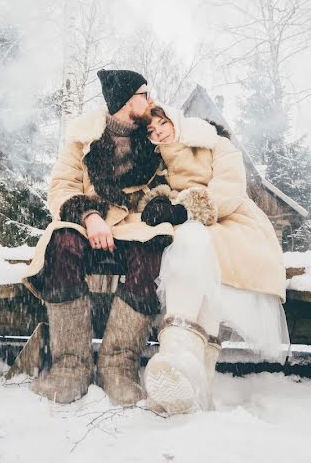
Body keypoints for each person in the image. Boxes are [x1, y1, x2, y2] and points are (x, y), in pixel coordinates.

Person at [22, 70, 175, 406]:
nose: (151, 101)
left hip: (133, 224)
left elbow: (169, 181)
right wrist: (89, 216)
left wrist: (160, 205)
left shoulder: (153, 138)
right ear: (124, 101)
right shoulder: (83, 137)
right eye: (143, 94)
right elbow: (61, 187)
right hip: (90, 222)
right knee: (62, 243)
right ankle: (70, 364)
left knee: (155, 247)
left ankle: (118, 364)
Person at [138, 105, 289, 414]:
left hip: (232, 222)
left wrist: (186, 209)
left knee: (196, 246)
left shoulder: (215, 143)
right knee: (189, 250)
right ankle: (189, 381)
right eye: (151, 131)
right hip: (187, 228)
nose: (158, 133)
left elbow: (229, 188)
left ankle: (182, 366)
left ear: (174, 119)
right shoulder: (155, 162)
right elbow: (149, 194)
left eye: (162, 123)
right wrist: (158, 205)